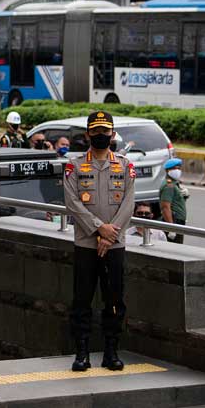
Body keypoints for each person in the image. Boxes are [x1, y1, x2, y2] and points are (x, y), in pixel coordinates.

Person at [64, 111, 135, 373]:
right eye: (95, 131)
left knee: (114, 300)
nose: (101, 135)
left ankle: (111, 352)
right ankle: (81, 354)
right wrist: (99, 230)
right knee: (82, 300)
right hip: (85, 246)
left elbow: (129, 204)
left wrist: (110, 235)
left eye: (105, 131)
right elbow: (72, 203)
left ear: (113, 134)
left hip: (114, 246)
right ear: (87, 134)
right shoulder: (75, 165)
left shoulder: (125, 166)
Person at [160, 158, 188, 244]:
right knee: (175, 250)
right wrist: (171, 228)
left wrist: (185, 196)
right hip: (173, 222)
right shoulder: (169, 186)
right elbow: (165, 207)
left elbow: (176, 201)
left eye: (179, 168)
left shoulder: (174, 183)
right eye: (175, 168)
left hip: (177, 222)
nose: (178, 170)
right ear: (167, 170)